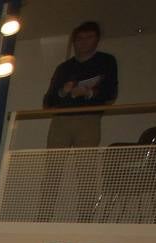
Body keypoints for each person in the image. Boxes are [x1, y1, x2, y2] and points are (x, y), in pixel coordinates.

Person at [44, 21, 119, 149]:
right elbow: (49, 100)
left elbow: (110, 92)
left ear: (97, 40)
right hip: (62, 117)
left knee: (85, 161)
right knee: (54, 162)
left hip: (89, 116)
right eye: (79, 38)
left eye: (89, 37)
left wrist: (88, 92)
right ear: (74, 42)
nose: (84, 42)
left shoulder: (106, 61)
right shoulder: (64, 67)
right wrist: (63, 91)